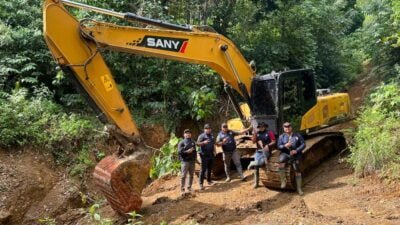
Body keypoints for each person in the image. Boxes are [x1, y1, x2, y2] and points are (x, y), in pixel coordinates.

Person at [277, 122, 306, 195]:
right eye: (285, 127)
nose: (287, 128)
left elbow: (303, 144)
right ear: (284, 128)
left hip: (296, 154)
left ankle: (299, 188)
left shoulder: (297, 135)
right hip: (285, 153)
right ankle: (283, 181)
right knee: (281, 162)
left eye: (289, 126)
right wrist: (284, 146)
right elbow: (278, 146)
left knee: (297, 170)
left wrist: (296, 150)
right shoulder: (281, 137)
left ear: (291, 127)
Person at [251, 122, 276, 188]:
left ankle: (252, 163)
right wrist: (254, 134)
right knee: (256, 166)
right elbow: (253, 141)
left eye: (262, 127)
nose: (261, 128)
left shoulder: (269, 132)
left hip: (267, 151)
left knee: (261, 163)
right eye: (259, 127)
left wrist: (268, 145)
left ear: (265, 127)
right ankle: (256, 183)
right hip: (258, 152)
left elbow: (274, 141)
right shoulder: (257, 133)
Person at [197, 124, 216, 190]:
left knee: (210, 169)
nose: (208, 130)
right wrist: (204, 143)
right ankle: (201, 184)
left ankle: (209, 181)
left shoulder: (211, 136)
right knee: (203, 169)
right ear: (204, 129)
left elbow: (213, 144)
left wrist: (215, 151)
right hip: (204, 155)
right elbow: (198, 144)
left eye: (209, 129)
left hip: (211, 154)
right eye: (206, 129)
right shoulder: (201, 136)